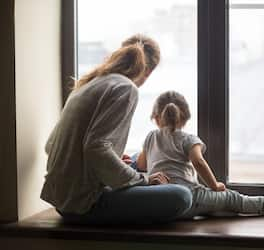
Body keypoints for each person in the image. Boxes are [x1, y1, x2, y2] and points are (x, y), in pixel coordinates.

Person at [41, 35, 192, 225]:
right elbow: (95, 148)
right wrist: (143, 181)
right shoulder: (125, 88)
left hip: (63, 201)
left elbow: (50, 146)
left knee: (136, 159)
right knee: (182, 195)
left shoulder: (87, 84)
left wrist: (111, 162)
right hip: (84, 204)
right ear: (147, 72)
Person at [134, 91, 264, 218]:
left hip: (164, 201)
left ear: (156, 118)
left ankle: (216, 210)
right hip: (190, 198)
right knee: (231, 197)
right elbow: (198, 162)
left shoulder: (151, 137)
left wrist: (132, 159)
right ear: (185, 117)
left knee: (216, 203)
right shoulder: (188, 139)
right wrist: (214, 185)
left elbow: (142, 165)